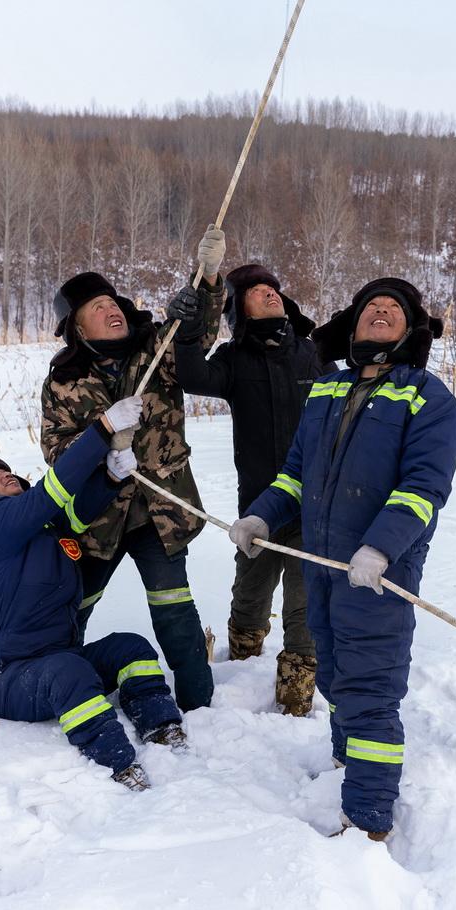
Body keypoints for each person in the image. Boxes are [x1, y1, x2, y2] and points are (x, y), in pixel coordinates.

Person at [229, 278, 456, 838]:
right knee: (333, 675)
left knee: (369, 691)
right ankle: (345, 761)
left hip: (379, 574)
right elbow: (295, 474)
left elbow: (423, 488)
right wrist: (262, 514)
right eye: (370, 308)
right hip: (324, 567)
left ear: (410, 332)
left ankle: (368, 819)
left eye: (394, 309)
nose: (380, 312)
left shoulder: (428, 398)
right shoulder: (325, 390)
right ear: (353, 326)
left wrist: (381, 546)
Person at [0, 398, 185, 792]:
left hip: (61, 658)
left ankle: (161, 727)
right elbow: (51, 491)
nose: (6, 475)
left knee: (130, 648)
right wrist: (102, 430)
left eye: (6, 469)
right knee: (69, 673)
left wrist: (110, 479)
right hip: (9, 679)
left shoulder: (39, 524)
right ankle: (118, 764)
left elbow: (72, 514)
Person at [40, 227, 226, 713]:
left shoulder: (156, 351)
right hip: (97, 518)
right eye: (96, 308)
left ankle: (197, 705)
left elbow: (195, 332)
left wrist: (206, 281)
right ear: (79, 330)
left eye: (112, 302)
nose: (111, 309)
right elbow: (56, 451)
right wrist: (101, 441)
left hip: (160, 512)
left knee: (174, 610)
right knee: (74, 608)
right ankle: (59, 682)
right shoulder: (63, 383)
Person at [170, 263, 329, 716]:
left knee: (304, 609)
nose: (269, 294)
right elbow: (193, 377)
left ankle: (295, 705)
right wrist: (188, 327)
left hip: (313, 510)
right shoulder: (234, 358)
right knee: (250, 595)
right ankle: (240, 666)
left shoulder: (312, 354)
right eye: (257, 291)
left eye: (272, 288)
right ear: (240, 310)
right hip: (259, 506)